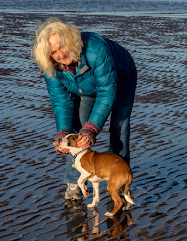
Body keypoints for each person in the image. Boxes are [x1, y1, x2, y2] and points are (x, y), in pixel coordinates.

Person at [32, 17, 137, 201]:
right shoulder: (51, 69)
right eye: (54, 52)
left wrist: (92, 129)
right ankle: (74, 184)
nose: (61, 54)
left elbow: (106, 93)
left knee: (119, 124)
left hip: (120, 78)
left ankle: (120, 182)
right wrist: (63, 131)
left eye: (62, 46)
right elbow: (61, 101)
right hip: (86, 87)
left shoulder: (96, 50)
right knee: (75, 129)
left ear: (71, 40)